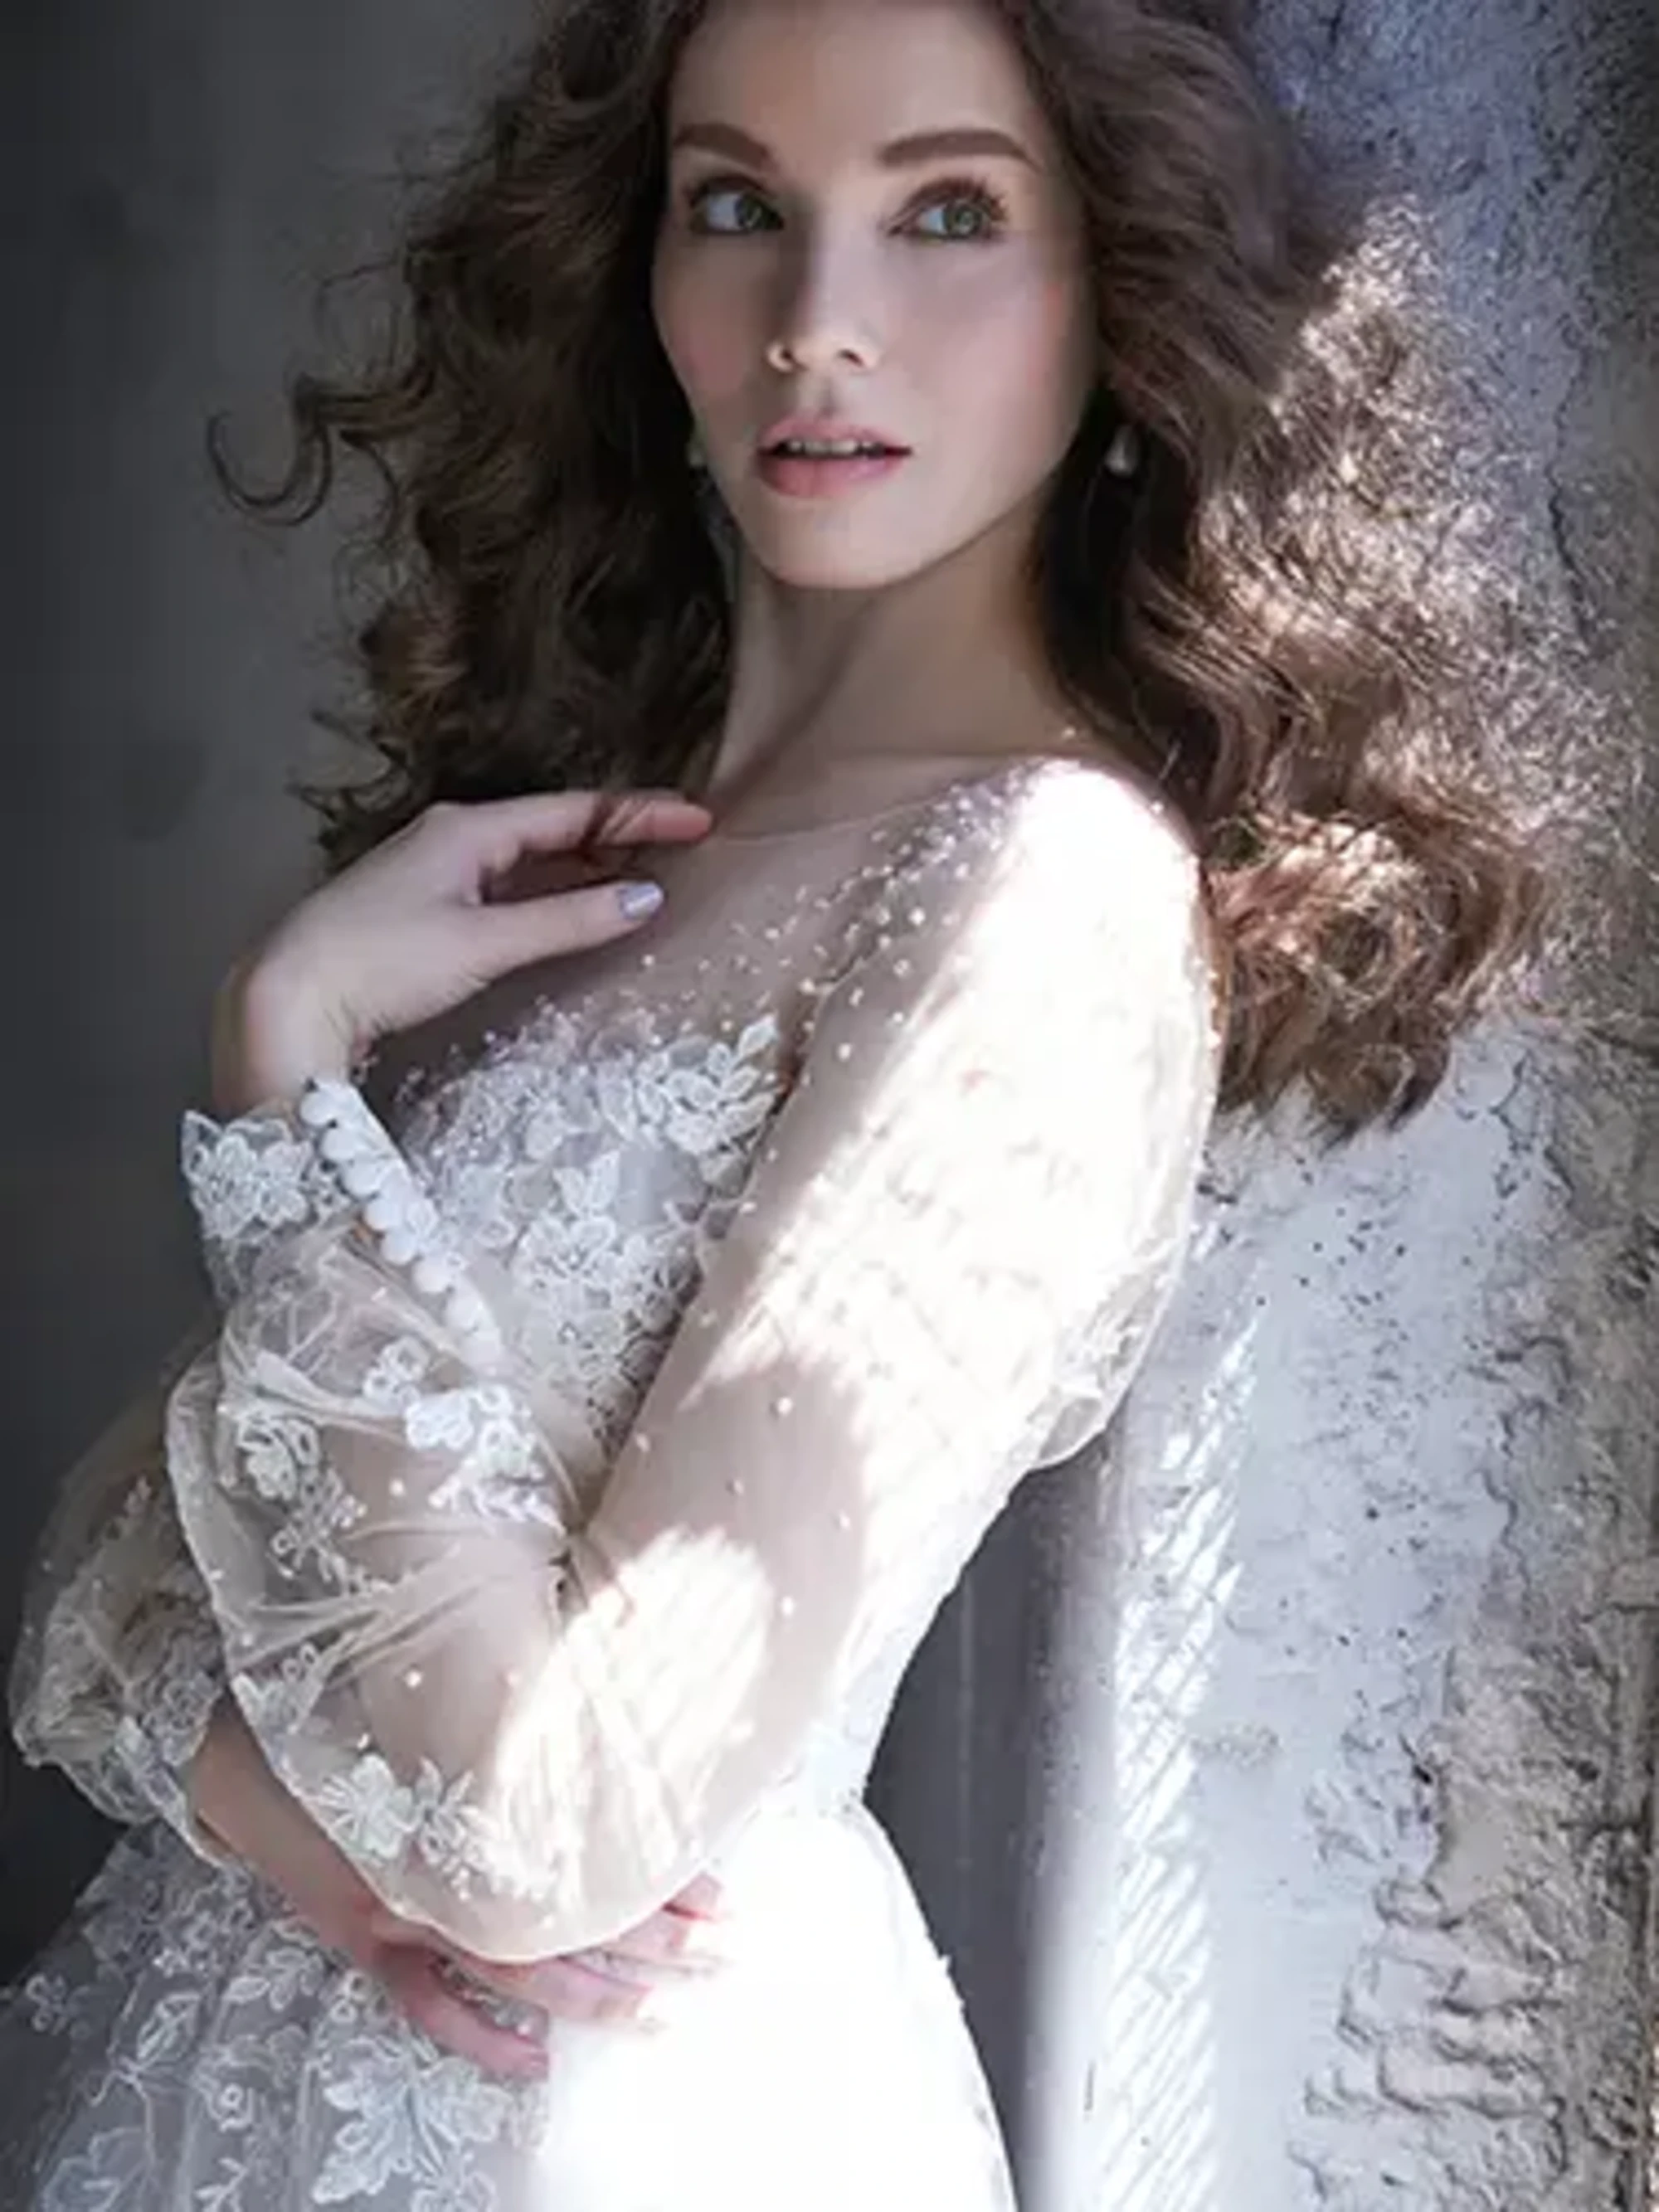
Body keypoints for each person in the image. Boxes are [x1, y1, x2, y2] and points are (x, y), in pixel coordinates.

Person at [0, 0, 1545, 2205]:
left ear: (1123, 274)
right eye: (738, 205)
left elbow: (541, 1829)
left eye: (948, 213)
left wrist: (284, 1071)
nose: (818, 319)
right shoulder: (585, 854)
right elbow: (97, 1590)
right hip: (231, 2069)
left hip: (605, 2126)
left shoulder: (1033, 903)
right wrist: (317, 1846)